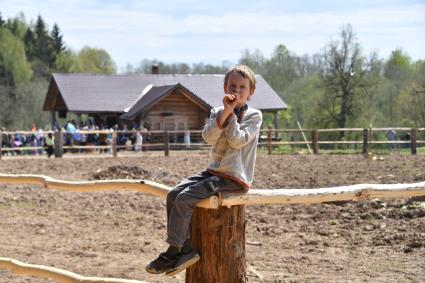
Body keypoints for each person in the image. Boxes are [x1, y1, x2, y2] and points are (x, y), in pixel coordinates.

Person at [145, 65, 263, 276]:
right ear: (225, 87)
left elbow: (237, 141)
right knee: (173, 194)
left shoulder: (254, 116)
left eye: (243, 87)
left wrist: (232, 117)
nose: (237, 90)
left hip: (233, 177)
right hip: (215, 172)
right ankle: (186, 248)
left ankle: (173, 252)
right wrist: (225, 112)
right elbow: (209, 137)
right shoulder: (217, 112)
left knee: (185, 199)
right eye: (232, 85)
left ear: (251, 92)